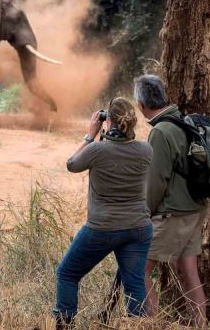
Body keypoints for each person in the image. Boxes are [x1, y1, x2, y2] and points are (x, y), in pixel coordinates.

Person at [53, 97, 154, 329]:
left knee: (67, 273)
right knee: (135, 284)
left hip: (103, 227)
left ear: (108, 120)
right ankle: (138, 325)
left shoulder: (97, 150)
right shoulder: (146, 150)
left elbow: (72, 164)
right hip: (138, 227)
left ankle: (64, 325)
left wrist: (90, 135)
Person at [134, 75, 208, 327]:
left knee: (138, 269)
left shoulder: (160, 131)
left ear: (141, 104)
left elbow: (156, 180)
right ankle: (200, 325)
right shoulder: (185, 121)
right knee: (189, 273)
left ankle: (152, 324)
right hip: (195, 209)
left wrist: (143, 213)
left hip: (172, 214)